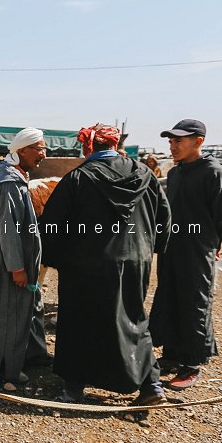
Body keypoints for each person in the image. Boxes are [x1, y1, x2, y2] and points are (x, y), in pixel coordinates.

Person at [40, 124, 171, 405]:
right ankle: (152, 386)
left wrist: (53, 259)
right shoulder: (145, 174)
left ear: (88, 147)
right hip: (136, 260)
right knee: (134, 317)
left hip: (86, 265)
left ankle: (73, 388)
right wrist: (151, 249)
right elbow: (164, 217)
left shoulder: (78, 177)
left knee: (80, 321)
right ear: (114, 144)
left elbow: (51, 224)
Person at [150, 119, 222, 390]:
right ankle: (172, 354)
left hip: (197, 249)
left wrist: (211, 242)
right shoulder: (176, 173)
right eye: (170, 141)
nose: (173, 145)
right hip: (172, 247)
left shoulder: (214, 173)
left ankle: (191, 363)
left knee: (194, 301)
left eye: (179, 140)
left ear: (198, 141)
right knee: (169, 296)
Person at [0, 128, 49, 390]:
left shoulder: (13, 177)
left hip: (13, 261)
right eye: (39, 148)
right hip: (9, 265)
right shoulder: (9, 185)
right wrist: (17, 267)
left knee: (27, 308)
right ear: (22, 150)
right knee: (8, 313)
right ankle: (3, 368)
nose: (43, 154)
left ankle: (31, 355)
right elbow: (9, 231)